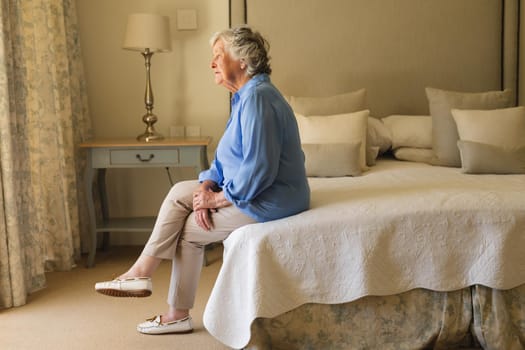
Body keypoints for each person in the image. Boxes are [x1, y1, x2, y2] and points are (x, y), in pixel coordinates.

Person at [94, 25, 310, 335]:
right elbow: (226, 157)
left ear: (243, 61)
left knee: (190, 232)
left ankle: (174, 310)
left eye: (218, 56)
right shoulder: (244, 98)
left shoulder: (258, 99)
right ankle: (141, 273)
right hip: (255, 191)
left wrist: (216, 199)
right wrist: (207, 183)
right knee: (180, 191)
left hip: (272, 199)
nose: (211, 63)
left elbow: (259, 171)